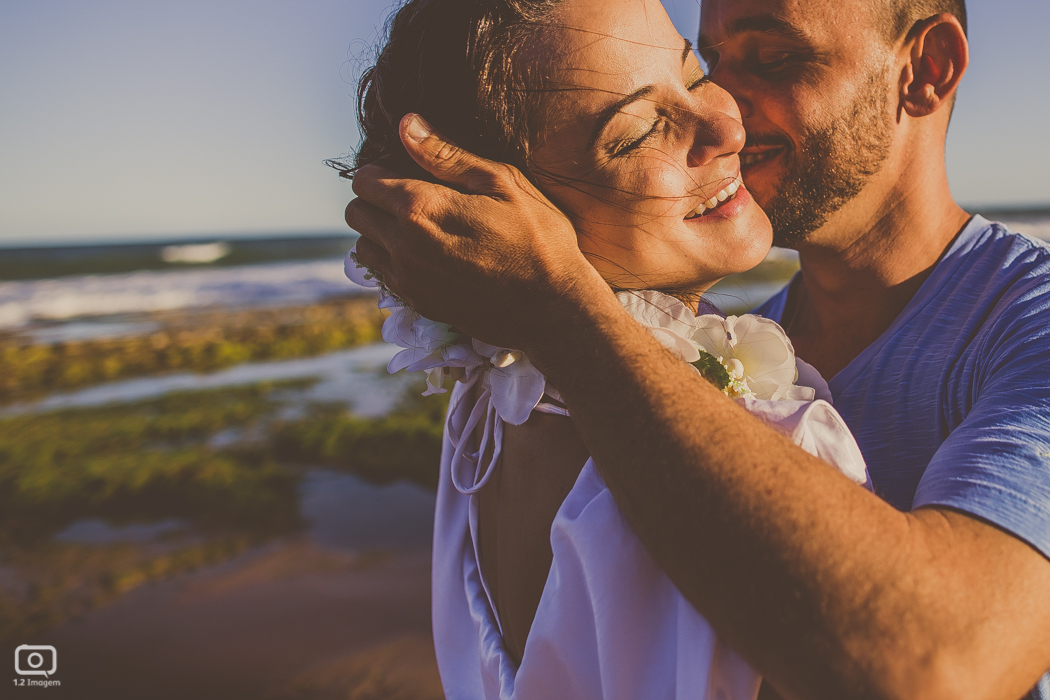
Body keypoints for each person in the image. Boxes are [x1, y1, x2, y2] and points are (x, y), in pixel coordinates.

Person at [346, 0, 1050, 696]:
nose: (728, 110)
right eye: (711, 62)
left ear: (927, 69)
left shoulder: (1025, 321)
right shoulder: (689, 365)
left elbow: (937, 666)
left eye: (774, 59)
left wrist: (562, 311)